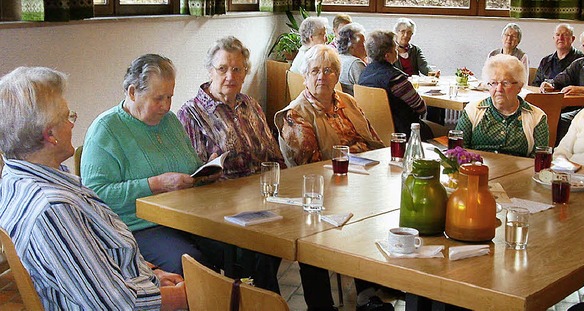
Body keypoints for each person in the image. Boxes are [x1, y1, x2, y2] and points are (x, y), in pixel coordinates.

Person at [81, 54, 279, 293]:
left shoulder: (170, 122)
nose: (166, 106)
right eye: (158, 98)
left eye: (169, 97)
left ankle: (255, 304)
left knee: (256, 247)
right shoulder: (106, 130)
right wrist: (154, 184)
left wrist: (203, 174)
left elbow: (189, 166)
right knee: (192, 263)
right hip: (137, 226)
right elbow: (96, 195)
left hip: (186, 218)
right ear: (132, 92)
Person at [0, 66, 186, 310]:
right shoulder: (53, 209)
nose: (72, 125)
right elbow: (119, 305)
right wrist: (192, 295)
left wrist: (153, 276)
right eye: (68, 117)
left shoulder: (16, 177)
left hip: (130, 286)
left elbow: (97, 264)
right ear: (51, 135)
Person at [275, 44, 389, 311]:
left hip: (359, 184)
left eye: (328, 71)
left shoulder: (348, 102)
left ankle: (368, 292)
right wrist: (357, 156)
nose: (321, 77)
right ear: (305, 75)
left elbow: (375, 143)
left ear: (337, 76)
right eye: (315, 70)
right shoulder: (296, 114)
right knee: (316, 232)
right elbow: (311, 166)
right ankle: (321, 304)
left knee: (375, 213)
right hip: (316, 194)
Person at [178, 36, 285, 179]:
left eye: (237, 69)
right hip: (222, 197)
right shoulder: (191, 114)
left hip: (262, 190)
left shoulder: (251, 105)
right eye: (222, 69)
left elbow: (275, 159)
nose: (230, 76)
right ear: (210, 71)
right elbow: (195, 177)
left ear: (244, 74)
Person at [456, 54, 549, 157]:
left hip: (518, 171)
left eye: (505, 83)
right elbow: (458, 151)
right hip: (477, 169)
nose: (499, 89)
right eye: (494, 83)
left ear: (519, 86)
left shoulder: (537, 117)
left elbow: (539, 159)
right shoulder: (472, 111)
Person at [358, 30, 434, 140]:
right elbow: (421, 108)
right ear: (387, 55)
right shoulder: (396, 78)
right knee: (444, 131)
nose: (397, 51)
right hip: (402, 133)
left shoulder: (364, 74)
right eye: (395, 48)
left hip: (373, 132)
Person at [539, 27, 584, 144]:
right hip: (582, 110)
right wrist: (550, 83)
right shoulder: (579, 63)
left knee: (562, 121)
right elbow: (561, 79)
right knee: (552, 119)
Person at [336, 22, 367, 96]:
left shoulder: (337, 58)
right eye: (363, 43)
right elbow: (367, 92)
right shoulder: (355, 64)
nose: (365, 47)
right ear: (351, 46)